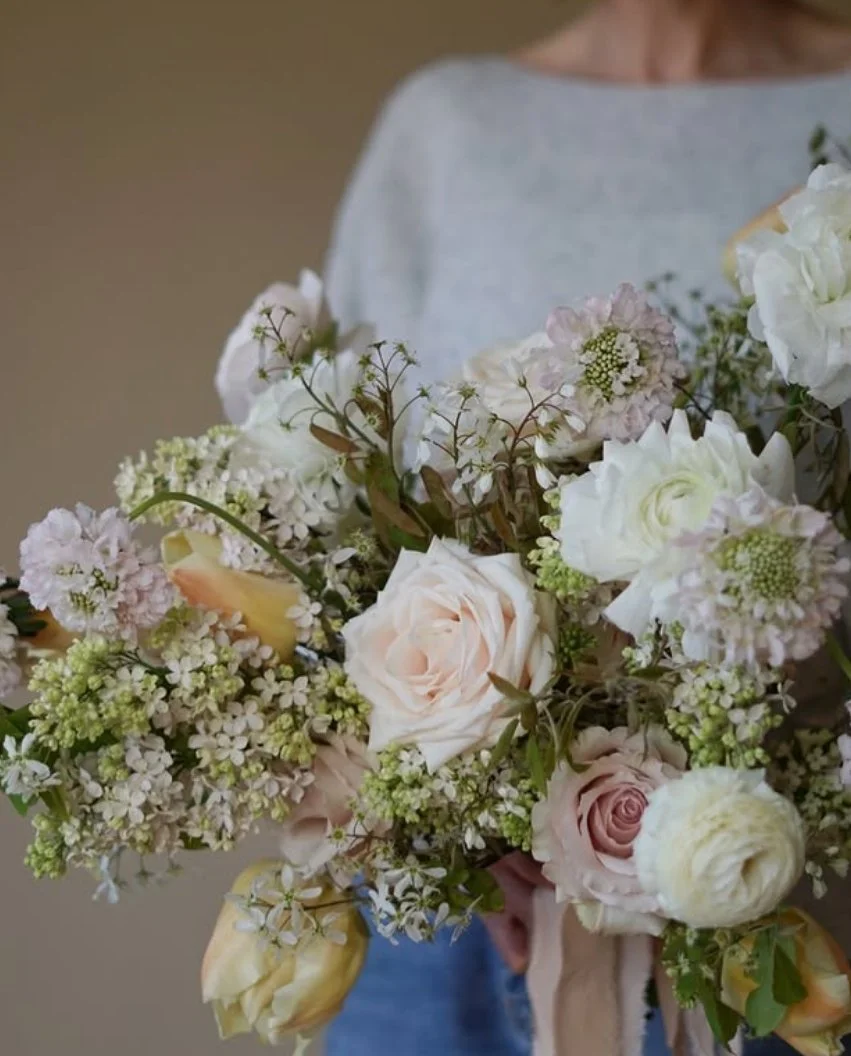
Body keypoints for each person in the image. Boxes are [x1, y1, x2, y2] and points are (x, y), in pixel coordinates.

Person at [323, 0, 851, 1053]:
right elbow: (335, 519)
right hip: (446, 921)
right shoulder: (446, 128)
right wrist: (472, 821)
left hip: (770, 910)